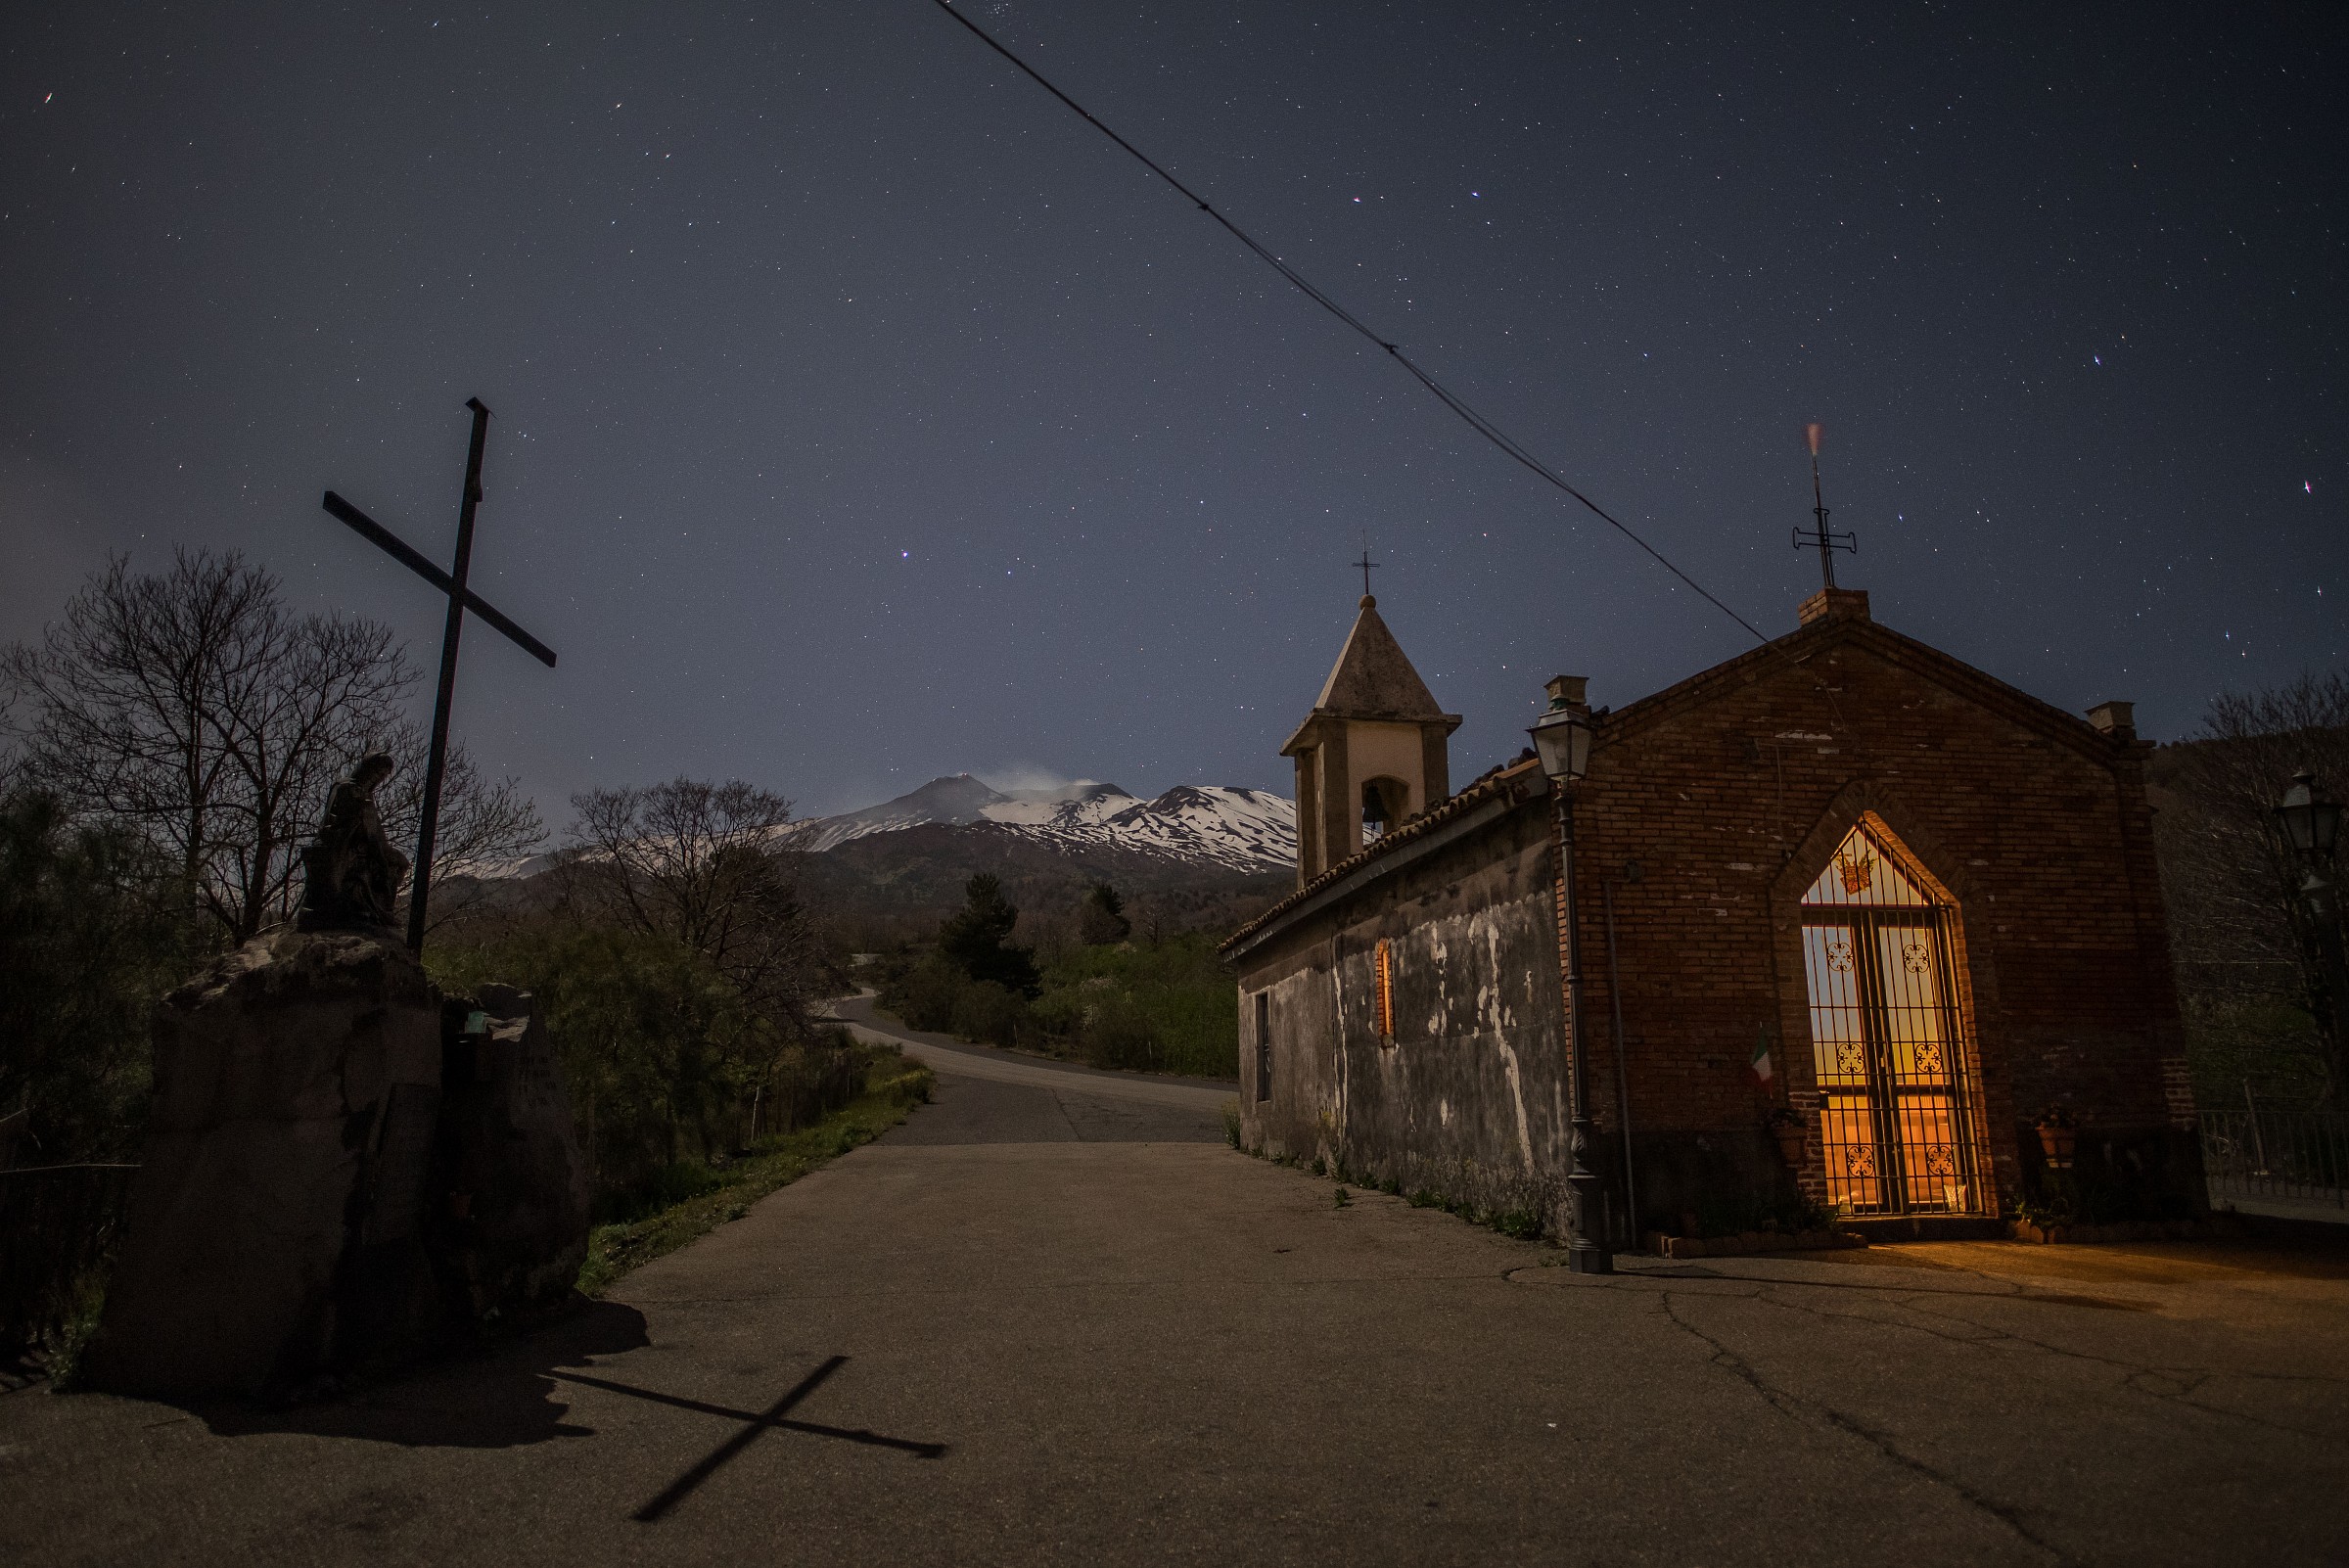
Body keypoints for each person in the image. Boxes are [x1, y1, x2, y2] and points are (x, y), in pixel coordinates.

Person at [297, 752, 409, 934]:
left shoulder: (364, 794)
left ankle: (378, 911)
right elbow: (340, 822)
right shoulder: (346, 788)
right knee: (384, 865)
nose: (379, 779)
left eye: (382, 776)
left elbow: (373, 830)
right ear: (367, 769)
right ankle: (362, 910)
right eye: (377, 773)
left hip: (364, 844)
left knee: (399, 862)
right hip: (345, 844)